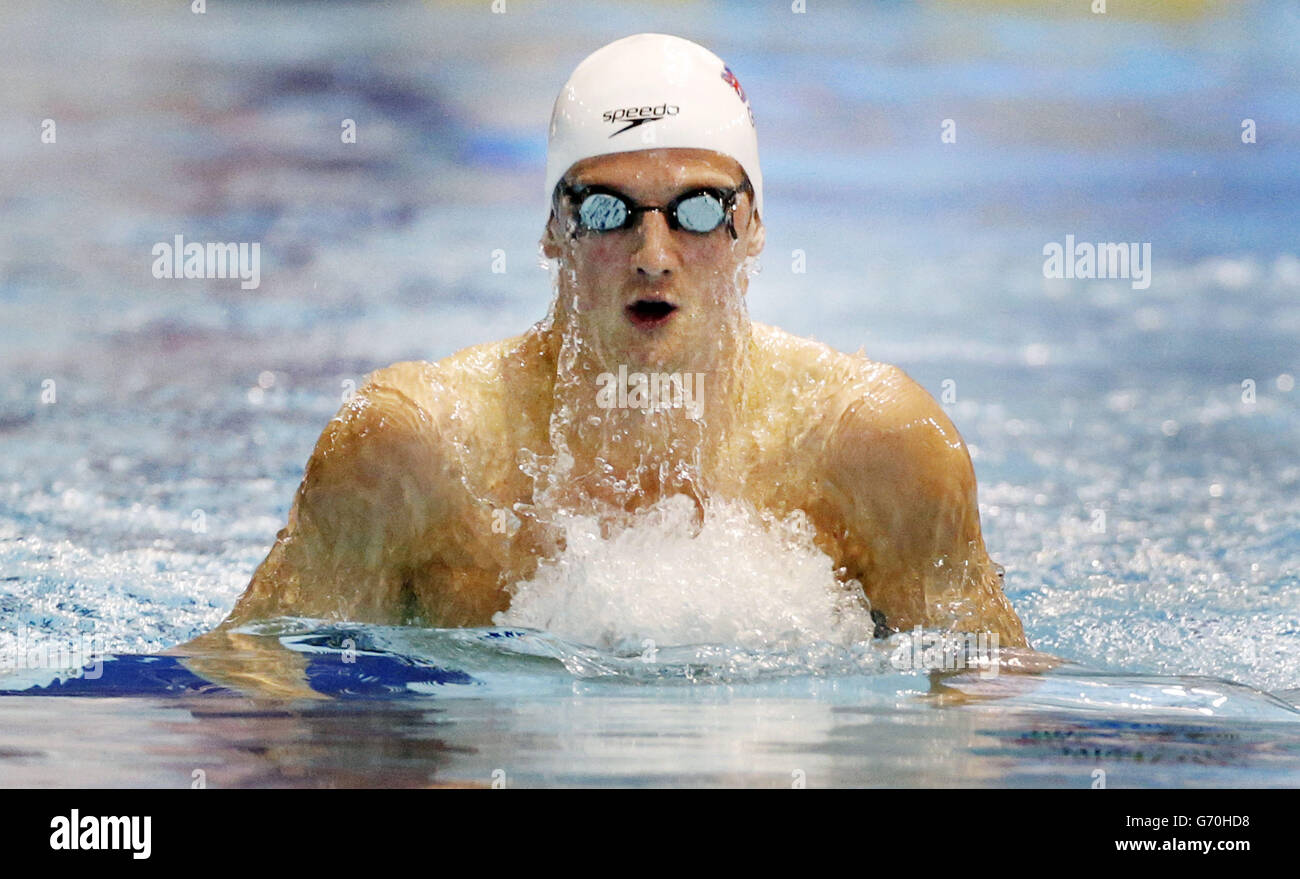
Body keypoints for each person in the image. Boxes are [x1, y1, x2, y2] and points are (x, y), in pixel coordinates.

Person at [208, 32, 1028, 650]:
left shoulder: (872, 445)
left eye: (699, 208)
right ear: (552, 230)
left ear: (753, 227)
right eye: (607, 210)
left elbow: (985, 712)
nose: (653, 255)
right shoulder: (417, 449)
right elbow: (257, 683)